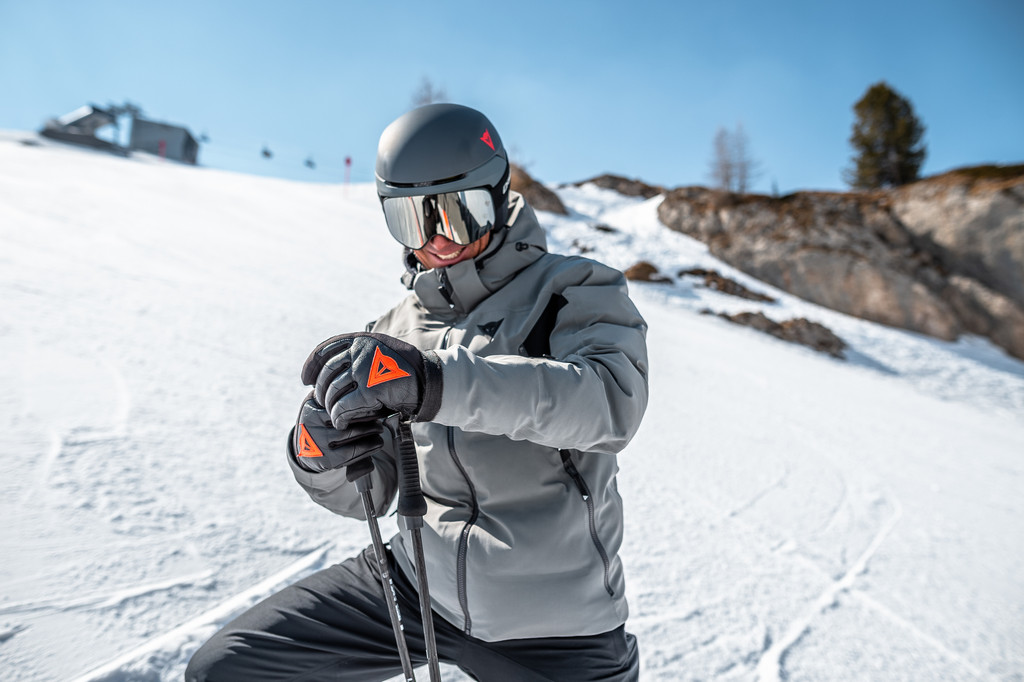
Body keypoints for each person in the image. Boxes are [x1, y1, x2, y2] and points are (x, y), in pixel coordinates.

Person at [186, 103, 649, 681]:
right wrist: (320, 455)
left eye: (458, 213)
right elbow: (373, 494)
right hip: (413, 587)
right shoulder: (390, 331)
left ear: (500, 195)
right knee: (227, 670)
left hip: (551, 622)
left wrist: (438, 383)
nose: (438, 241)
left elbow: (610, 404)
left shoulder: (573, 290)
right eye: (412, 220)